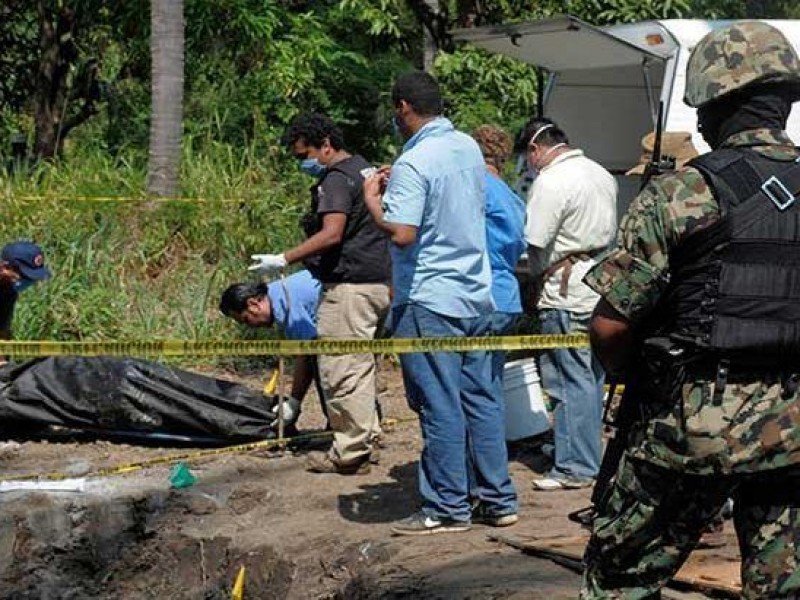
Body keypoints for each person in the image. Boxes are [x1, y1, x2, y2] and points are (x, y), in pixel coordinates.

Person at [581, 21, 800, 598]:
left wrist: (632, 376)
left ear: (715, 105)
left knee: (619, 579)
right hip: (793, 430)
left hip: (689, 428)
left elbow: (609, 325)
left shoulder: (683, 192)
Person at [364, 71, 518, 535]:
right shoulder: (467, 149)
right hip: (475, 291)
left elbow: (404, 233)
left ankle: (448, 508)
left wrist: (375, 202)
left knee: (438, 405)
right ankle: (498, 500)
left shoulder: (415, 163)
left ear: (404, 107)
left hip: (430, 297)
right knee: (481, 399)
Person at [249, 113, 390, 475]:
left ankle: (349, 452)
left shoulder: (337, 181)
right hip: (378, 281)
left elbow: (332, 233)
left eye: (304, 154)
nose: (303, 163)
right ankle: (366, 439)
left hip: (350, 286)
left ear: (326, 145)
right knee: (360, 368)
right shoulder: (362, 169)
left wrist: (284, 258)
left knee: (341, 369)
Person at [523, 117, 617, 491]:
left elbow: (536, 239)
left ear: (536, 148)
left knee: (566, 379)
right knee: (589, 378)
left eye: (528, 156)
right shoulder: (599, 173)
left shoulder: (552, 180)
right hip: (598, 284)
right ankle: (575, 449)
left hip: (565, 290)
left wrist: (531, 278)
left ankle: (576, 466)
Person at [219, 269, 326, 429]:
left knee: (329, 370)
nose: (251, 326)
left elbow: (307, 355)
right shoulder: (278, 293)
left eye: (246, 320)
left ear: (253, 304)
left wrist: (294, 403)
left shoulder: (287, 306)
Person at [471, 124, 526, 380]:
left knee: (475, 387)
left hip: (483, 296)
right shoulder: (511, 196)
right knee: (491, 382)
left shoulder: (477, 188)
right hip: (506, 294)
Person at [0, 241, 52, 363]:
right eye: (24, 275)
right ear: (5, 267)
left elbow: (2, 329)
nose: (27, 281)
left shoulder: (8, 291)